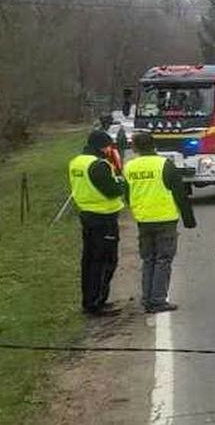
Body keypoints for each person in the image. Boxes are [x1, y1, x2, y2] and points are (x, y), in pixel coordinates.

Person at [124, 131, 196, 313]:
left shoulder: (129, 167)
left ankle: (147, 298)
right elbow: (180, 193)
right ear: (154, 145)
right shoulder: (165, 165)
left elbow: (126, 194)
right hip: (164, 219)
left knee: (148, 259)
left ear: (135, 147)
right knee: (163, 260)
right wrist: (188, 219)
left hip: (143, 219)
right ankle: (158, 300)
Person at [68, 130, 126, 316]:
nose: (110, 149)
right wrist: (122, 183)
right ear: (102, 146)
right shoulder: (99, 165)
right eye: (109, 145)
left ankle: (89, 300)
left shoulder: (77, 162)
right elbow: (112, 191)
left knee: (89, 260)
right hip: (104, 217)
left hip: (87, 214)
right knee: (105, 261)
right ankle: (97, 303)